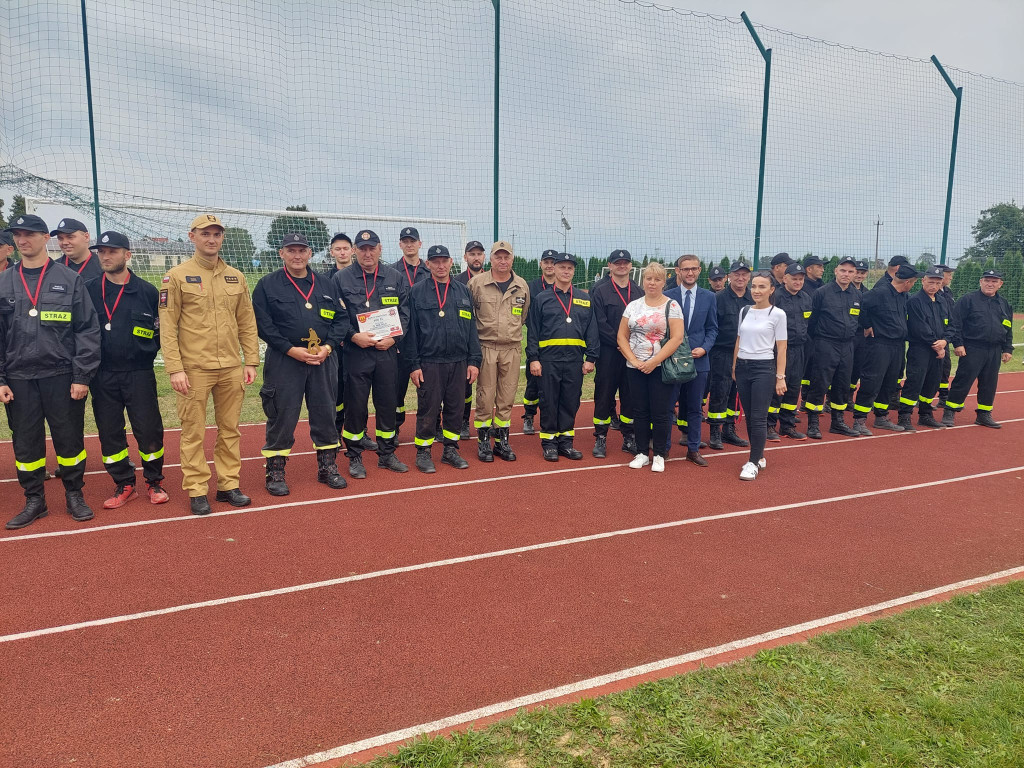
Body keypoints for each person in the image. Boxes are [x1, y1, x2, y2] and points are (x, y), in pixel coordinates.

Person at [0, 214, 100, 529]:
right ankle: (35, 500)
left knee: (69, 441)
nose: (22, 239)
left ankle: (74, 494)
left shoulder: (68, 279)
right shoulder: (3, 281)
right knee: (26, 444)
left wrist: (81, 375)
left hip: (61, 376)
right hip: (19, 379)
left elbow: (87, 330)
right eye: (17, 235)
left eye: (29, 233)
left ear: (46, 238)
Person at [159, 214, 260, 516]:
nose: (211, 239)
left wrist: (251, 360)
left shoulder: (236, 277)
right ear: (192, 237)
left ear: (222, 238)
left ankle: (228, 484)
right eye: (205, 233)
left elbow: (246, 321)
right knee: (194, 431)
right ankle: (197, 489)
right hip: (194, 369)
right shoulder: (175, 276)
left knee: (230, 429)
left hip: (230, 367)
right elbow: (167, 326)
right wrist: (175, 369)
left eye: (216, 234)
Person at [253, 232, 350, 496]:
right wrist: (289, 349)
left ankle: (328, 467)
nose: (297, 256)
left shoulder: (326, 284)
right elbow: (264, 324)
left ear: (310, 254)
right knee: (281, 415)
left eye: (302, 251)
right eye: (291, 250)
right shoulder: (267, 285)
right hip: (285, 361)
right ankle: (275, 471)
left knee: (326, 413)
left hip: (323, 360)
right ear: (281, 253)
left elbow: (342, 320)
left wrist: (328, 347)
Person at [85, 230, 168, 508]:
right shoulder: (89, 289)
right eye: (102, 252)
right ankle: (124, 484)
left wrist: (142, 355)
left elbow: (159, 333)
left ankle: (154, 482)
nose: (106, 256)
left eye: (112, 251)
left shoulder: (147, 291)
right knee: (110, 432)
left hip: (138, 373)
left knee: (149, 430)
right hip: (102, 375)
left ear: (127, 255)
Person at [333, 229, 410, 477]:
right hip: (356, 353)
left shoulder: (395, 277)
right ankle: (354, 456)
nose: (367, 253)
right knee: (355, 405)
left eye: (372, 248)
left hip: (386, 352)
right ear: (355, 250)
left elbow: (405, 313)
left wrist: (394, 338)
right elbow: (335, 315)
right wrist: (353, 336)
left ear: (380, 249)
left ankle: (386, 454)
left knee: (387, 403)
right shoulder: (341, 279)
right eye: (362, 248)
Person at [406, 245, 481, 472]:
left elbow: (471, 329)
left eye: (444, 261)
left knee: (455, 409)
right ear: (427, 264)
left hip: (459, 362)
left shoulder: (462, 290)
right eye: (435, 261)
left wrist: (474, 361)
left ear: (451, 262)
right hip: (430, 362)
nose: (440, 265)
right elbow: (411, 332)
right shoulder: (417, 291)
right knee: (428, 409)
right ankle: (424, 452)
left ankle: (450, 449)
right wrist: (414, 365)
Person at [525, 252, 599, 461]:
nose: (566, 272)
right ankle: (549, 443)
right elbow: (533, 332)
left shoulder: (584, 299)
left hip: (575, 361)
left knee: (570, 401)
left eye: (570, 268)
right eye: (562, 267)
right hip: (548, 361)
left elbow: (592, 330)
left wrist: (591, 358)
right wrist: (533, 358)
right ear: (554, 269)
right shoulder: (542, 298)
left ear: (573, 272)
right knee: (549, 402)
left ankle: (566, 442)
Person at [617, 262, 683, 472]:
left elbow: (677, 337)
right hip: (634, 367)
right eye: (648, 278)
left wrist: (654, 361)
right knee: (640, 410)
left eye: (657, 279)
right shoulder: (633, 306)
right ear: (642, 280)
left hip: (661, 367)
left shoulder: (671, 306)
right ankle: (642, 452)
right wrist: (634, 361)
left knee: (661, 412)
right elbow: (622, 336)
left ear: (664, 282)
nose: (652, 283)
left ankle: (660, 454)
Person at [470, 241, 530, 462]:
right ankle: (484, 441)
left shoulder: (522, 285)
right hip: (486, 346)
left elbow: (522, 316)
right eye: (498, 257)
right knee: (485, 397)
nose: (503, 261)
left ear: (512, 259)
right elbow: (470, 317)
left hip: (512, 348)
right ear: (491, 259)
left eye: (507, 257)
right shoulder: (476, 284)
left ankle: (502, 441)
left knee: (506, 397)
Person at [850, 263, 918, 435]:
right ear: (908, 282)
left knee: (890, 382)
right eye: (914, 282)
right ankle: (859, 419)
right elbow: (861, 306)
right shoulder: (879, 292)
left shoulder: (904, 296)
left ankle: (881, 416)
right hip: (879, 345)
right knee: (871, 381)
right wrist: (867, 325)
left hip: (898, 346)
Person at [942, 269, 1014, 428]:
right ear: (981, 282)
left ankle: (984, 414)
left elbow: (1008, 328)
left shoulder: (1004, 304)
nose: (990, 284)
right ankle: (950, 411)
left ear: (1000, 284)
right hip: (972, 348)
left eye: (994, 281)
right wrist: (958, 344)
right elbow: (956, 323)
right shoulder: (968, 300)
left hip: (994, 350)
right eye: (987, 280)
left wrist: (1007, 349)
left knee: (989, 383)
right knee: (963, 380)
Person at [733, 272, 787, 480]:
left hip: (764, 368)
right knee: (750, 416)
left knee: (758, 417)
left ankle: (753, 462)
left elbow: (781, 348)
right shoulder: (744, 310)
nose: (756, 290)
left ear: (771, 290)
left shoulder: (778, 314)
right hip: (743, 367)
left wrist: (780, 376)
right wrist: (734, 366)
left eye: (762, 287)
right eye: (754, 286)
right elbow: (739, 340)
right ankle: (760, 455)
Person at [664, 254, 718, 465]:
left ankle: (693, 450)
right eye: (685, 269)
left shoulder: (709, 297)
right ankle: (664, 449)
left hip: (699, 361)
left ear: (699, 270)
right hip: (673, 361)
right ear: (678, 271)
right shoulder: (667, 296)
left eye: (694, 269)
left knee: (695, 408)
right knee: (669, 406)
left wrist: (704, 349)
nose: (690, 273)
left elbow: (713, 328)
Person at [804, 256, 863, 439]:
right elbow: (811, 322)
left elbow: (857, 321)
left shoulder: (857, 295)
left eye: (850, 271)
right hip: (825, 343)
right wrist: (818, 342)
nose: (846, 274)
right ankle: (813, 423)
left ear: (855, 274)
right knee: (819, 383)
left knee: (842, 384)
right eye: (843, 270)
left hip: (847, 345)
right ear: (836, 271)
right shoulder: (822, 293)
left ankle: (838, 422)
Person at [590, 249, 640, 458]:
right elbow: (599, 323)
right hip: (609, 353)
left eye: (625, 263)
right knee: (604, 395)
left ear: (630, 266)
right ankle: (600, 437)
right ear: (609, 266)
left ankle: (629, 437)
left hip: (632, 354)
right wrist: (621, 343)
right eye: (617, 263)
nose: (621, 266)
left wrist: (630, 347)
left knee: (630, 396)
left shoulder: (639, 292)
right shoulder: (599, 290)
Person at [326, 232, 373, 449]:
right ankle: (334, 432)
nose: (342, 252)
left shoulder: (364, 276)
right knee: (337, 391)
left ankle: (359, 431)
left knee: (358, 393)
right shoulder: (326, 280)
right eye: (338, 249)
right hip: (336, 347)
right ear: (332, 252)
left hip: (360, 346)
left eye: (346, 248)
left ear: (352, 251)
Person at [707, 261, 752, 450]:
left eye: (744, 274)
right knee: (720, 391)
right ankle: (715, 432)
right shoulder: (718, 298)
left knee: (736, 393)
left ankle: (729, 429)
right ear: (729, 277)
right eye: (736, 274)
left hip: (745, 354)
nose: (740, 278)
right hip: (722, 352)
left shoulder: (753, 299)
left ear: (749, 277)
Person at [898, 265, 949, 430]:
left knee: (932, 382)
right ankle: (904, 416)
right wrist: (938, 345)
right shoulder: (914, 301)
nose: (934, 285)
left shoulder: (943, 301)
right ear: (923, 281)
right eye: (931, 281)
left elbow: (952, 324)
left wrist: (945, 341)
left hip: (939, 348)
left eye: (937, 282)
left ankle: (925, 415)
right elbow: (920, 328)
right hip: (920, 349)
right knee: (915, 381)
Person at [393, 226, 430, 437]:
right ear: (400, 245)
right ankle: (395, 426)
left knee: (428, 388)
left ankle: (432, 425)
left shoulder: (430, 271)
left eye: (412, 241)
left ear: (419, 244)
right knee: (396, 389)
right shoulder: (391, 271)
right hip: (400, 341)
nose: (409, 245)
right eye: (405, 241)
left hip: (424, 340)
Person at [768, 262, 812, 440]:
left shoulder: (807, 298)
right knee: (775, 389)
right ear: (785, 278)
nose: (798, 282)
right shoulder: (775, 297)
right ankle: (769, 425)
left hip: (799, 349)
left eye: (801, 279)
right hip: (778, 350)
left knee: (794, 387)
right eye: (794, 278)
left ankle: (787, 425)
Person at [453, 240, 487, 438]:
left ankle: (486, 422)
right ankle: (463, 421)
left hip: (488, 339)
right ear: (465, 257)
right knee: (464, 385)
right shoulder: (456, 281)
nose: (476, 257)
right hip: (465, 340)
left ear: (484, 257)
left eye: (479, 254)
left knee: (487, 385)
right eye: (471, 254)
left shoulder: (492, 279)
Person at [522, 249, 557, 434]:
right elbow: (526, 314)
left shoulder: (564, 286)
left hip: (558, 345)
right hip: (537, 342)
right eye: (546, 262)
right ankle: (528, 416)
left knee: (553, 385)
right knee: (533, 384)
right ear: (541, 264)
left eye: (553, 262)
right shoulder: (531, 287)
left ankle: (551, 419)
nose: (550, 265)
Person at [848, 259, 871, 398]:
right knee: (843, 367)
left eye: (862, 273)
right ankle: (832, 397)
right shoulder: (845, 289)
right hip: (847, 334)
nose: (859, 275)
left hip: (861, 335)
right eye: (857, 272)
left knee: (857, 366)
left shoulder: (867, 293)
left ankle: (849, 395)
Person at [937, 264, 956, 397]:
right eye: (948, 274)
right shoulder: (932, 292)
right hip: (934, 336)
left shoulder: (948, 292)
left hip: (946, 336)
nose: (950, 277)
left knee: (946, 366)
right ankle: (921, 397)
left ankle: (943, 394)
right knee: (930, 368)